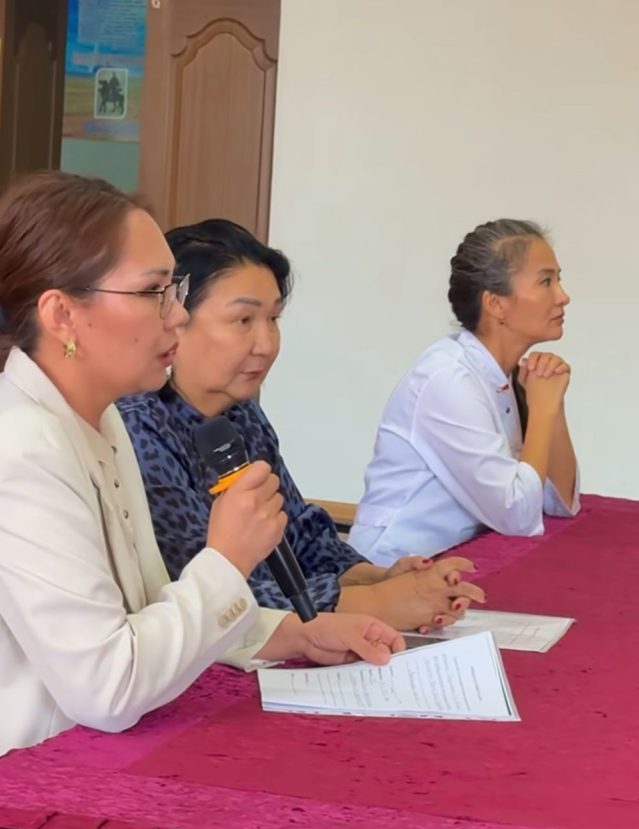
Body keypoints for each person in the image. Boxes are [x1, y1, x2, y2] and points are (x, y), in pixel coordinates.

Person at [0, 172, 405, 756]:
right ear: (62, 314)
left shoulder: (100, 420)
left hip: (83, 757)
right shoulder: (21, 449)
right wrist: (228, 557)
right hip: (31, 779)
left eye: (177, 289)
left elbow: (152, 602)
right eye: (153, 292)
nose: (177, 316)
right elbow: (107, 687)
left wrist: (294, 634)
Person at [117, 220, 484, 634]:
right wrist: (378, 604)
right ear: (175, 319)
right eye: (243, 320)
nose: (266, 344)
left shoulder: (241, 415)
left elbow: (301, 534)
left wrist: (376, 578)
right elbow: (202, 589)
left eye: (273, 318)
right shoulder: (136, 427)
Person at [349, 219, 580, 564]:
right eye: (546, 281)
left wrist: (552, 404)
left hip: (458, 561)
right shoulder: (448, 380)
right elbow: (517, 515)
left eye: (558, 279)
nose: (563, 296)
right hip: (392, 567)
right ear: (495, 304)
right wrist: (543, 410)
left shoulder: (505, 373)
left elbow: (560, 504)